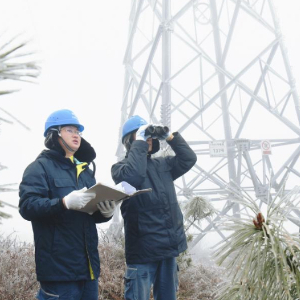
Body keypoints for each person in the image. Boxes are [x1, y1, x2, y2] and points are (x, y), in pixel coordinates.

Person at [19, 109, 116, 300]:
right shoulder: (39, 168)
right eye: (70, 130)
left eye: (78, 132)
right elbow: (27, 206)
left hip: (88, 270)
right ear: (54, 135)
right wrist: (63, 203)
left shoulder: (85, 171)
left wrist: (105, 213)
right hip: (59, 271)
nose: (76, 135)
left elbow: (89, 213)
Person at [111, 115, 197, 300]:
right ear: (129, 141)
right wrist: (141, 142)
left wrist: (170, 137)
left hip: (167, 250)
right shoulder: (120, 169)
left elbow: (188, 158)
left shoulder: (163, 165)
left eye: (149, 135)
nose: (148, 138)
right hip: (142, 253)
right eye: (141, 134)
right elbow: (134, 177)